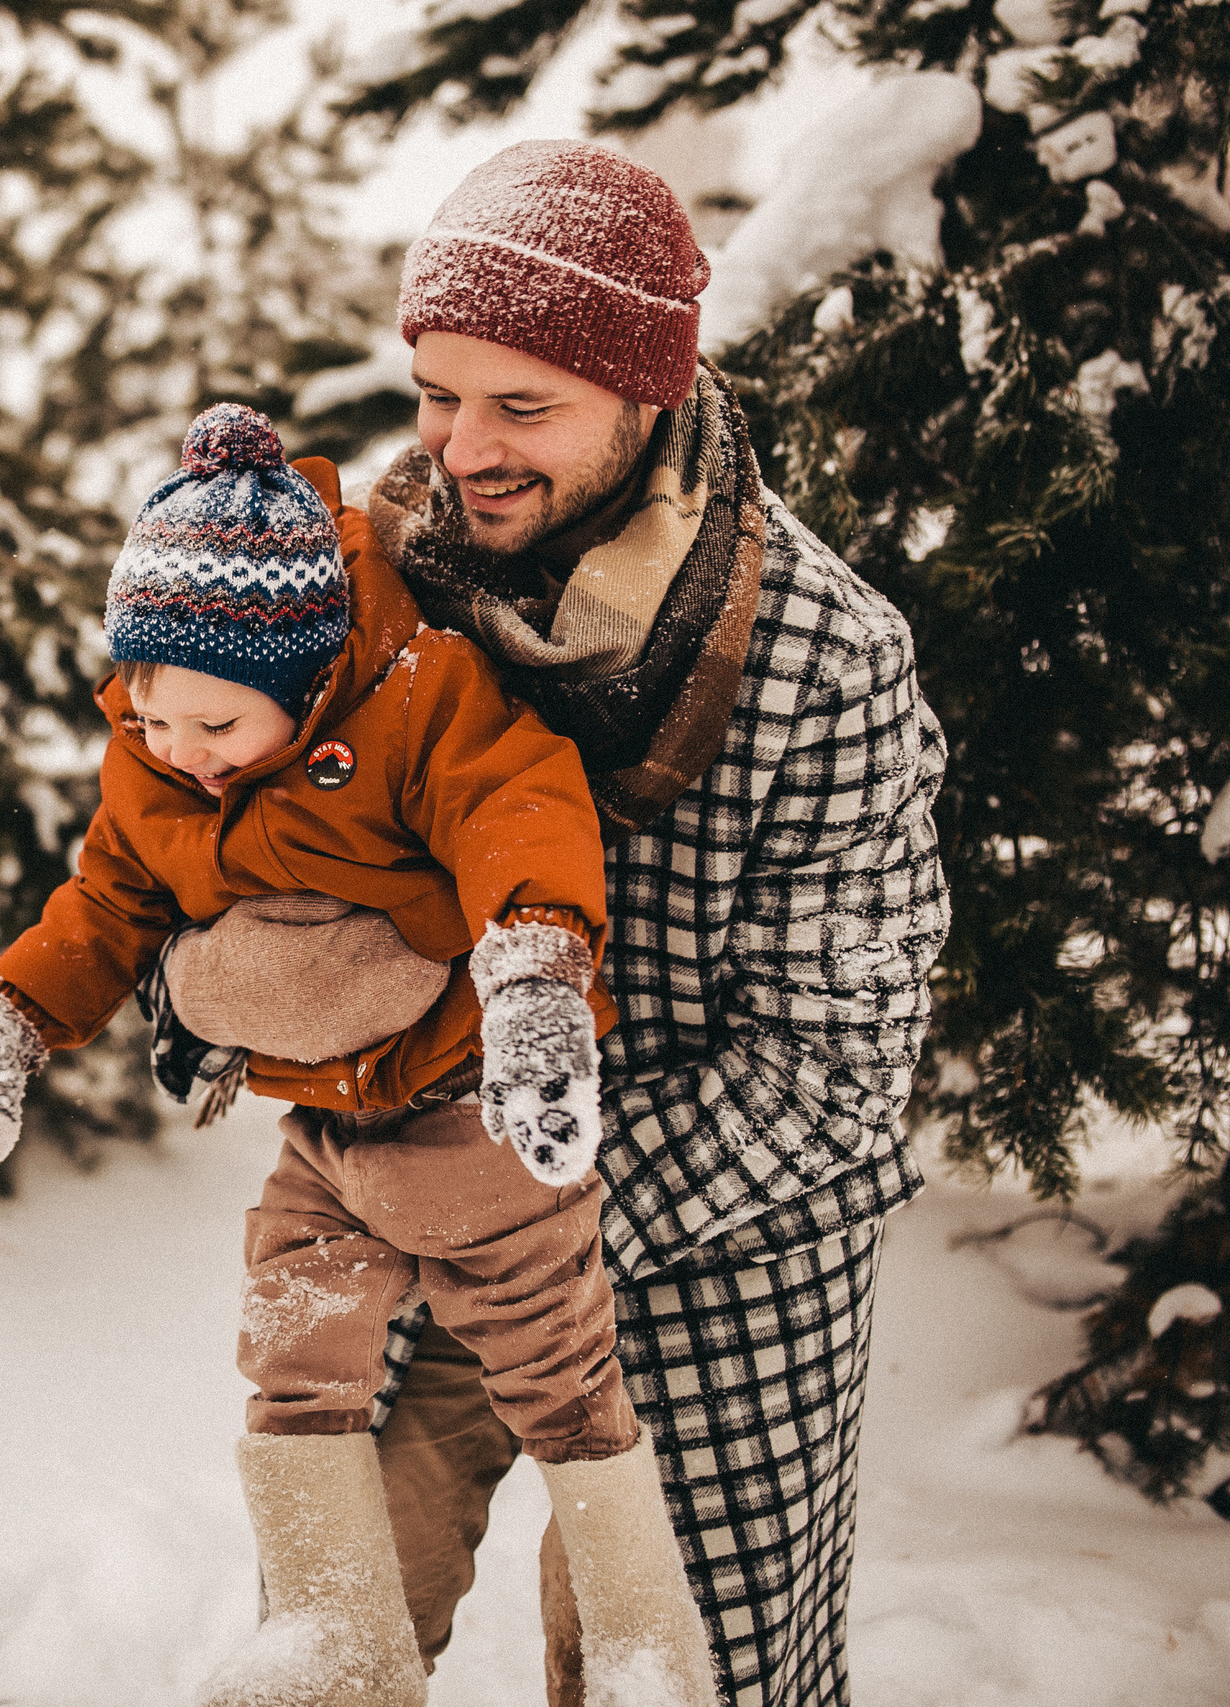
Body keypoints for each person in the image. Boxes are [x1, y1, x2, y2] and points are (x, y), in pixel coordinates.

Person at [159, 142, 950, 1707]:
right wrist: (204, 978)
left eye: (523, 406)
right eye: (438, 395)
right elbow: (212, 816)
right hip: (406, 1211)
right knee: (330, 1650)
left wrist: (514, 1210)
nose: (463, 449)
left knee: (688, 1679)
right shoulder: (361, 595)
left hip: (717, 1246)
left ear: (648, 391)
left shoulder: (824, 657)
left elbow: (833, 1071)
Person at [0, 403, 718, 1705]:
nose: (181, 756)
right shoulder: (158, 766)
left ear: (305, 684)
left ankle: (640, 1637)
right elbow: (105, 905)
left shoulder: (419, 700)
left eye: (216, 728)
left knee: (558, 1374)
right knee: (291, 1353)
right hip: (330, 1138)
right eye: (152, 717)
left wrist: (534, 984)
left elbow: (519, 811)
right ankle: (329, 1628)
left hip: (473, 1120)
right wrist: (8, 1028)